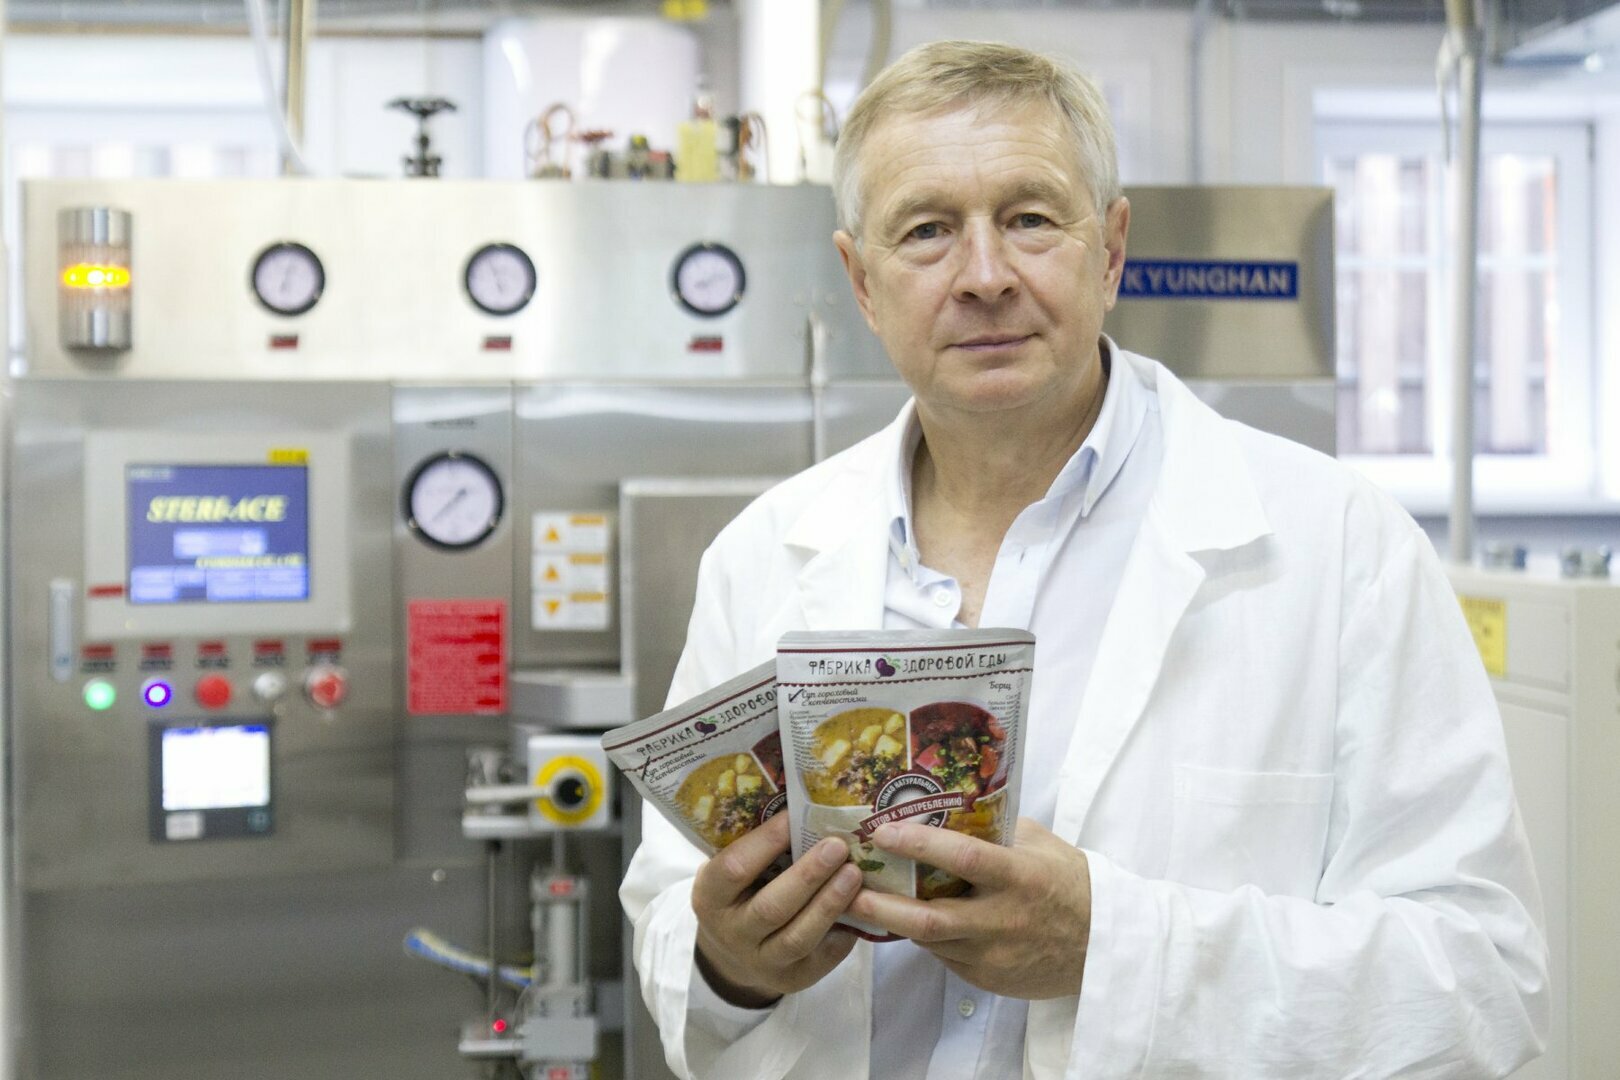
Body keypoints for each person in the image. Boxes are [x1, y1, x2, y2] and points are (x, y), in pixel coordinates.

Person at [621, 39, 1548, 1080]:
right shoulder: (761, 555)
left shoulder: (1339, 547)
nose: (984, 277)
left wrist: (1114, 947)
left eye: (1029, 218)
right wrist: (730, 966)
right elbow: (670, 914)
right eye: (926, 231)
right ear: (862, 283)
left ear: (1110, 251)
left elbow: (1483, 986)